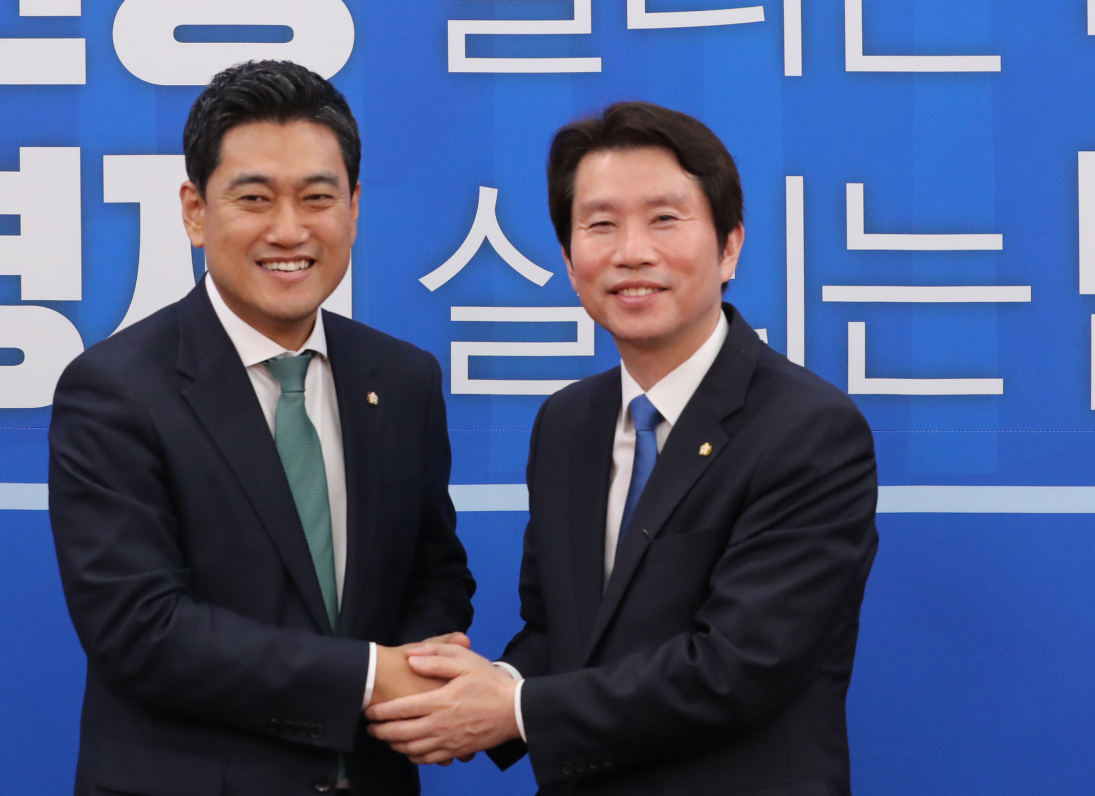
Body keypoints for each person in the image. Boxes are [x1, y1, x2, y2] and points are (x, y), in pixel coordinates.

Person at [366, 101, 878, 796]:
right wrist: (491, 683)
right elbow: (559, 630)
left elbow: (737, 667)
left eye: (665, 219)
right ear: (572, 264)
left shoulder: (810, 428)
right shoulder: (566, 424)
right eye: (600, 225)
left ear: (729, 247)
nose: (632, 251)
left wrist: (510, 709)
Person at [48, 60, 476, 796]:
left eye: (318, 197)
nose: (289, 229)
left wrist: (429, 672)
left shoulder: (401, 380)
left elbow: (434, 572)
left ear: (355, 206)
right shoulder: (114, 390)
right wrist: (375, 677)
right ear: (194, 209)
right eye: (254, 198)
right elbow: (141, 631)